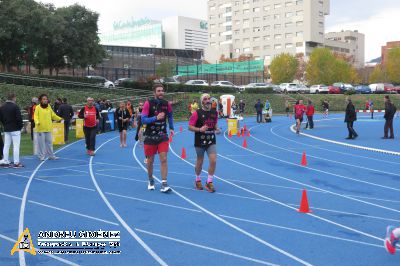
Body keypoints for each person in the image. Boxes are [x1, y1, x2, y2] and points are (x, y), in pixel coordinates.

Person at [141, 84, 174, 193]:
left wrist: (172, 127)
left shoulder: (166, 104)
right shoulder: (148, 103)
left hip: (162, 136)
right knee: (150, 161)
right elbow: (143, 120)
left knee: (164, 159)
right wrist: (156, 117)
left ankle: (164, 183)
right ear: (154, 93)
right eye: (159, 91)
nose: (161, 92)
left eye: (162, 91)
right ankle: (151, 180)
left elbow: (170, 116)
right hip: (150, 136)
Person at [189, 93, 220, 193]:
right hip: (200, 140)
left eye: (209, 99)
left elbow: (214, 124)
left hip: (211, 140)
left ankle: (209, 182)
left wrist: (217, 129)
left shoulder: (214, 112)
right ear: (202, 102)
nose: (208, 100)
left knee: (213, 160)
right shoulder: (196, 113)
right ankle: (197, 179)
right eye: (205, 99)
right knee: (200, 161)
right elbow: (190, 127)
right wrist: (199, 129)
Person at [34, 94, 63, 161]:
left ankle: (51, 156)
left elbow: (53, 115)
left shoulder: (49, 107)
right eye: (44, 99)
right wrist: (37, 122)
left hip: (48, 128)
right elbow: (36, 116)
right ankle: (41, 156)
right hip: (40, 128)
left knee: (49, 143)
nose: (45, 100)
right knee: (41, 143)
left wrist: (60, 119)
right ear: (40, 100)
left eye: (46, 99)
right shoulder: (37, 107)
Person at [0, 93, 23, 168]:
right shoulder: (15, 106)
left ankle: (5, 161)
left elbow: (1, 118)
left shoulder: (2, 107)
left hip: (6, 128)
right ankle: (16, 162)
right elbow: (19, 118)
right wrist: (20, 127)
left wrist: (5, 125)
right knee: (16, 146)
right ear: (13, 98)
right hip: (15, 128)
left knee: (6, 145)